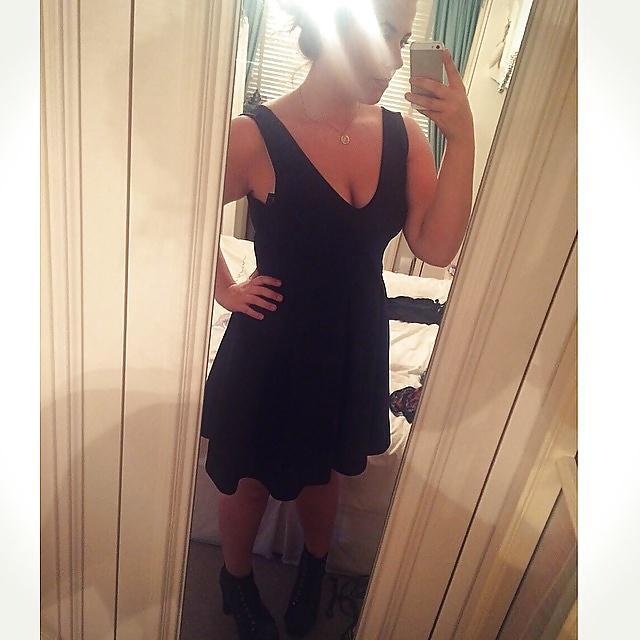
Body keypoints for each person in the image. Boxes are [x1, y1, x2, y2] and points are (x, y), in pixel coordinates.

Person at [200, 1, 475, 638]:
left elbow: (437, 248)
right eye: (385, 33)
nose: (396, 57)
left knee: (325, 474)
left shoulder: (404, 137)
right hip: (272, 343)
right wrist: (225, 289)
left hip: (352, 341)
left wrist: (461, 137)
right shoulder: (254, 135)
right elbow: (178, 207)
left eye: (403, 39)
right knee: (248, 481)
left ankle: (314, 572)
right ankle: (235, 583)